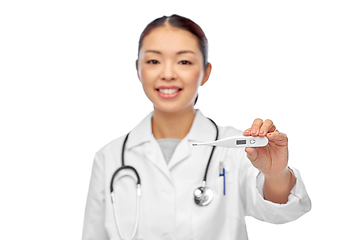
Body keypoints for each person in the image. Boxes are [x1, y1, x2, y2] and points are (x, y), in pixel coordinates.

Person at [82, 14, 311, 240]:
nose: (168, 74)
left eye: (184, 61)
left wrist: (276, 174)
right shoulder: (109, 158)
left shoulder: (238, 148)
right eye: (153, 61)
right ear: (138, 70)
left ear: (205, 72)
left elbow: (283, 210)